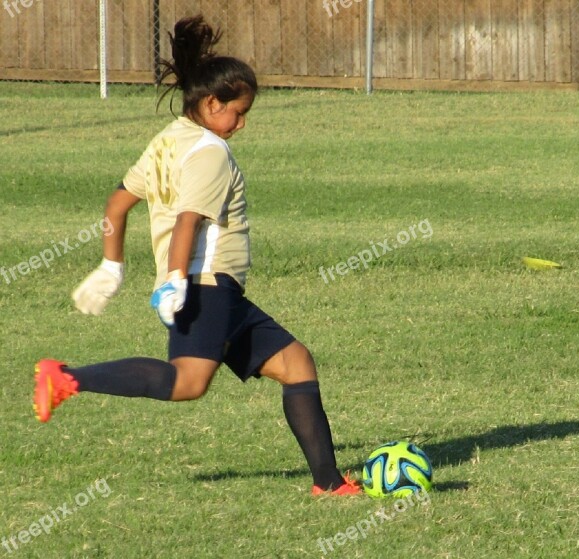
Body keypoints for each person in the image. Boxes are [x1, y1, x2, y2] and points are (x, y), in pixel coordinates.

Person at [33, 15, 360, 496]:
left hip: (212, 288)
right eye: (238, 112)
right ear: (211, 103)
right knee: (188, 382)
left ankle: (329, 484)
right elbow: (189, 220)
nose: (242, 123)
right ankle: (64, 378)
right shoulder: (210, 152)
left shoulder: (168, 141)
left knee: (296, 364)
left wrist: (111, 266)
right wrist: (175, 281)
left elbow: (118, 203)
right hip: (204, 285)